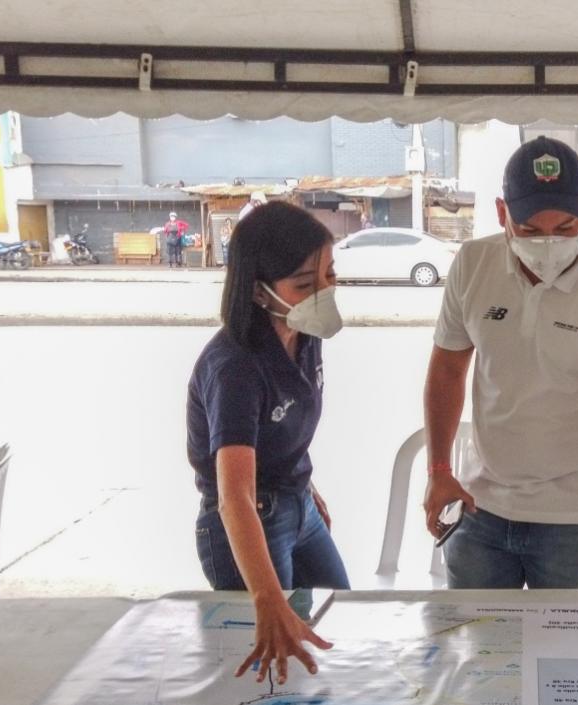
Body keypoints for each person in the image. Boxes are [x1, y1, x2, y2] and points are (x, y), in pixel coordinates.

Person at [422, 137, 578, 612]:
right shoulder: (473, 265)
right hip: (481, 511)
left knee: (576, 663)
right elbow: (446, 371)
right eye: (528, 227)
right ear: (501, 213)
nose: (547, 243)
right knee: (479, 658)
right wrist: (439, 469)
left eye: (565, 226)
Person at [187, 201, 349, 684]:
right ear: (259, 292)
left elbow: (287, 421)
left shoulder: (303, 332)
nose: (324, 292)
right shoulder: (235, 366)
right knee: (272, 660)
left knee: (339, 617)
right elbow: (233, 495)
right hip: (248, 519)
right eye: (304, 284)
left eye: (330, 273)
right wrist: (268, 598)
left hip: (297, 508)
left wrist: (302, 479)